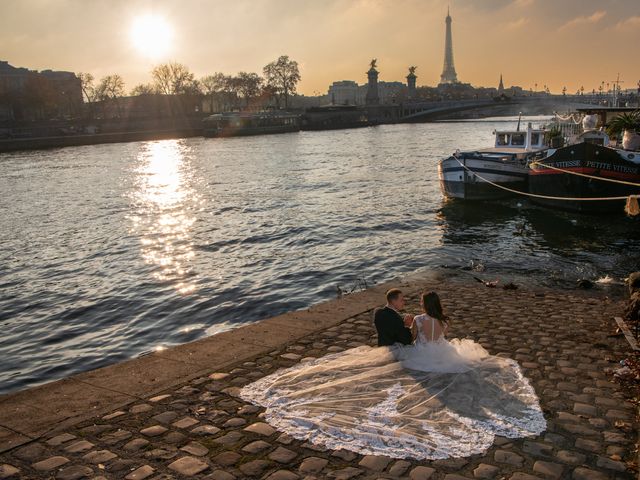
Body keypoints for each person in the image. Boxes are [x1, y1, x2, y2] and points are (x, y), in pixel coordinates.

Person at [240, 290, 546, 460]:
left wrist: (411, 322)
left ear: (424, 306)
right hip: (445, 353)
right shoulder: (443, 320)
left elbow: (414, 340)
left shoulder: (422, 319)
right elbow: (441, 338)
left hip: (424, 355)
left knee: (401, 364)